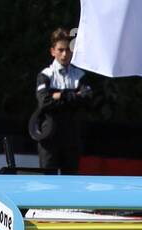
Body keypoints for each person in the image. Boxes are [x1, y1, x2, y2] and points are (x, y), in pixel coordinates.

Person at [33, 29, 96, 174]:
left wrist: (59, 96)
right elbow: (44, 102)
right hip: (49, 139)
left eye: (67, 50)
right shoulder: (45, 75)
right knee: (48, 183)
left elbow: (87, 99)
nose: (64, 54)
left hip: (72, 139)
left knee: (71, 183)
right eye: (60, 50)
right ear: (52, 51)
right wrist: (74, 96)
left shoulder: (80, 75)